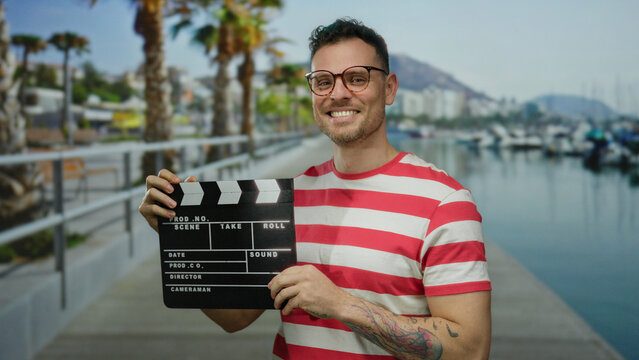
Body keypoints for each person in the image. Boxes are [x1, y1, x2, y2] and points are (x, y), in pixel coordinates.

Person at [140, 18, 491, 360]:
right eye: (323, 81)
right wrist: (182, 234)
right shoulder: (286, 199)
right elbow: (235, 318)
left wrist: (341, 304)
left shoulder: (444, 204)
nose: (338, 94)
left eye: (357, 78)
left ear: (389, 89)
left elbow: (471, 350)